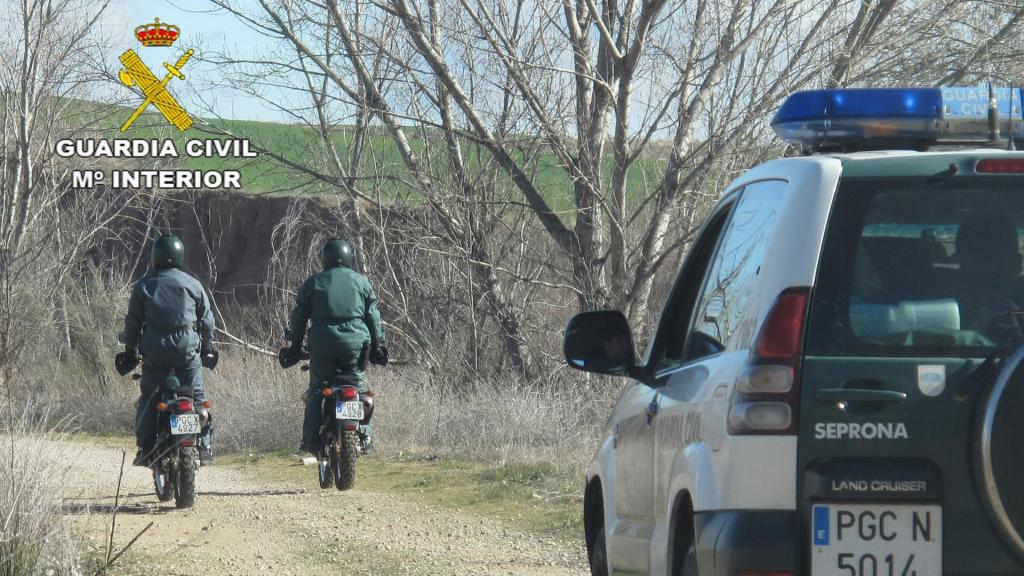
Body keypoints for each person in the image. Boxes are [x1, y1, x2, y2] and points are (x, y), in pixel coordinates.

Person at [280, 238, 386, 454]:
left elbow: (299, 318)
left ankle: (310, 441)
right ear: (349, 257)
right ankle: (364, 436)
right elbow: (373, 315)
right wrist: (378, 344)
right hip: (356, 346)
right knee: (358, 388)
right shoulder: (362, 282)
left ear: (324, 259)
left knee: (317, 391)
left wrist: (294, 347)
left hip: (323, 346)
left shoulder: (313, 283)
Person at [120, 234, 217, 466]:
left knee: (148, 399)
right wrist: (207, 346)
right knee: (197, 397)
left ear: (155, 257)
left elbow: (133, 322)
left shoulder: (144, 285)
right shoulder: (193, 284)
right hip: (187, 353)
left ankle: (145, 448)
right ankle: (203, 444)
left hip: (155, 354)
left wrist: (131, 349)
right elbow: (207, 320)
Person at [953, 211, 1024, 345]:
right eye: (982, 257)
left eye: (999, 257)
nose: (991, 266)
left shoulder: (930, 299)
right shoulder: (938, 304)